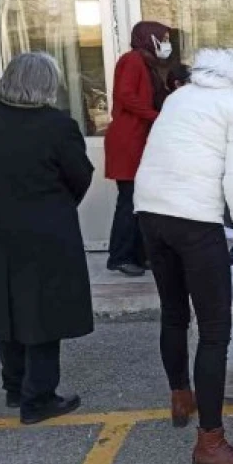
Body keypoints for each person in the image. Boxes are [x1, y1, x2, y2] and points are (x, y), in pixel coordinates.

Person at [134, 48, 233, 464]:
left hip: (149, 212)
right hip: (194, 219)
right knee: (214, 332)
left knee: (174, 314)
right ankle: (210, 442)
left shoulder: (181, 96)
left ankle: (181, 397)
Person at [0, 52, 94, 425]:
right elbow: (79, 174)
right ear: (47, 84)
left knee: (10, 307)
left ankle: (14, 386)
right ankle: (38, 398)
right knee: (44, 312)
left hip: (0, 226)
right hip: (46, 229)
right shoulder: (56, 125)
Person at [104, 21, 173, 277]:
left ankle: (138, 254)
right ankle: (120, 256)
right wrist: (155, 116)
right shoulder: (132, 60)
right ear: (150, 39)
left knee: (138, 201)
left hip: (138, 140)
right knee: (129, 200)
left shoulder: (147, 64)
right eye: (163, 38)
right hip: (128, 141)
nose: (166, 44)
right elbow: (126, 96)